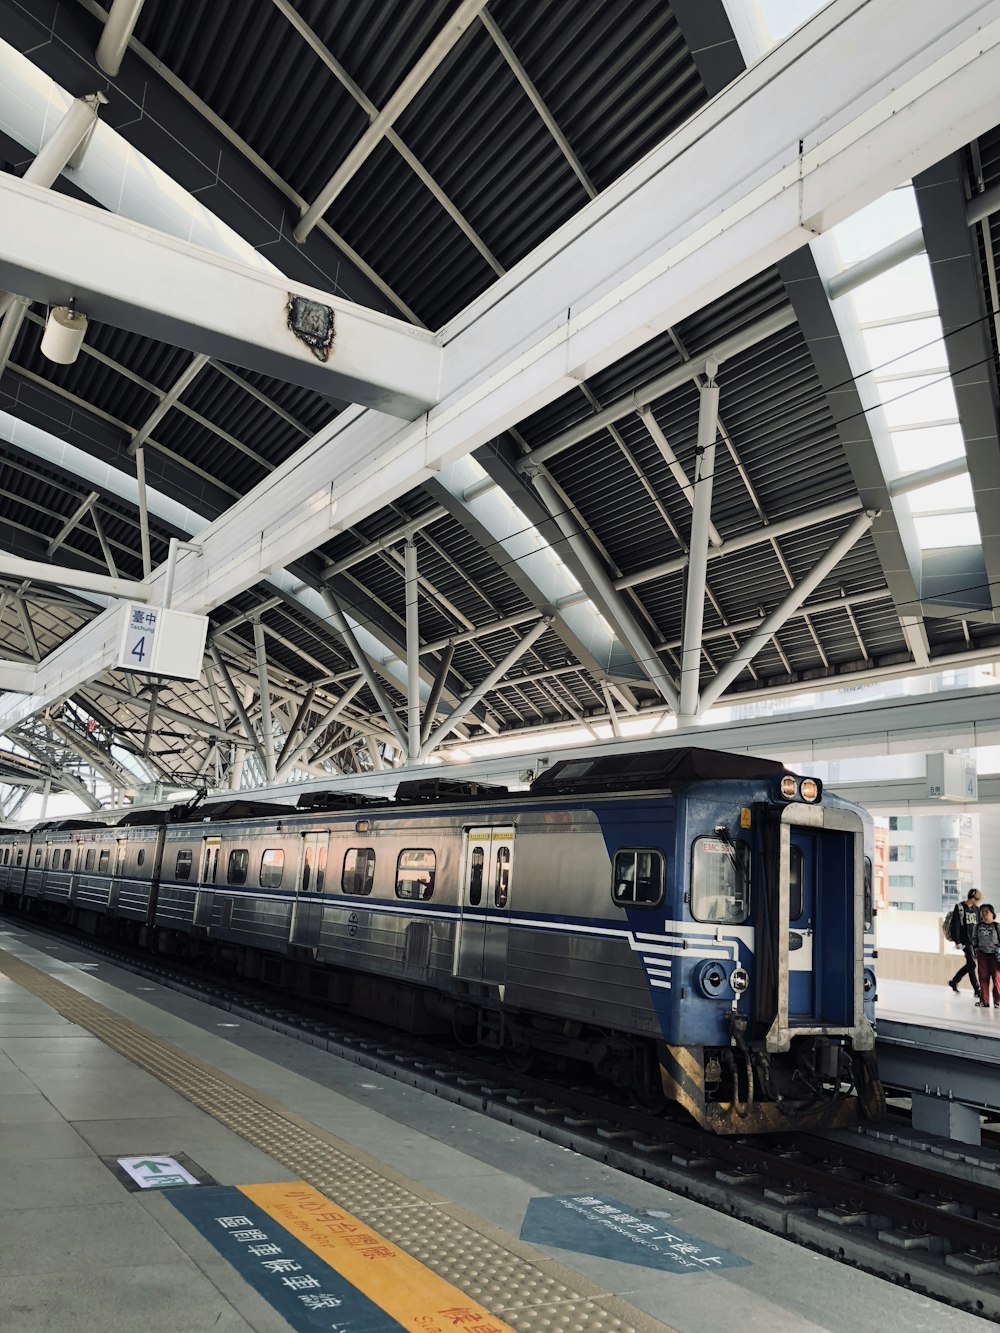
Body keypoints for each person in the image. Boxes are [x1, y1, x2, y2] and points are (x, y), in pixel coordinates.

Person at [949, 888, 983, 999]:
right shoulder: (959, 908)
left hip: (974, 941)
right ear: (973, 898)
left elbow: (979, 925)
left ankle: (954, 981)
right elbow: (955, 925)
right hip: (964, 941)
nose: (978, 902)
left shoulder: (976, 909)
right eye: (977, 899)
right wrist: (957, 941)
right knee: (972, 965)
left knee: (970, 964)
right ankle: (977, 990)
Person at [973, 903, 1000, 1009]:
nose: (984, 914)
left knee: (996, 979)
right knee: (983, 978)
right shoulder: (977, 926)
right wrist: (976, 951)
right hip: (982, 955)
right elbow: (974, 939)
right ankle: (984, 1001)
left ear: (992, 913)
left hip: (995, 956)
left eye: (986, 911)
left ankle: (997, 1001)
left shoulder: (996, 926)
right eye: (982, 912)